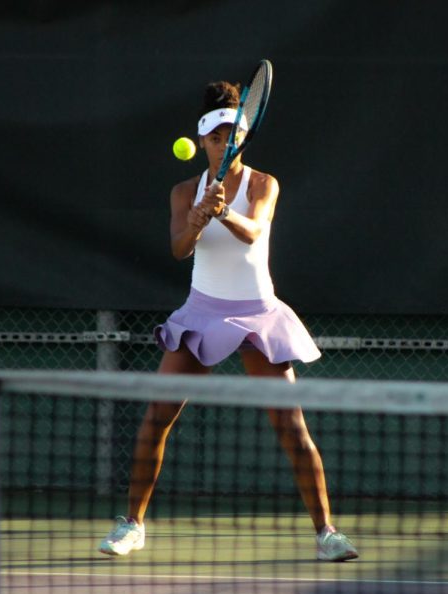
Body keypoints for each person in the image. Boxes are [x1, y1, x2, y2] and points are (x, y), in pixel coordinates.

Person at [98, 81, 358, 562]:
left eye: (230, 136)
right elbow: (179, 249)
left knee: (290, 426)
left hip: (258, 314)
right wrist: (197, 219)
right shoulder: (182, 191)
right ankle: (132, 525)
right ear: (202, 142)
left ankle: (327, 532)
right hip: (201, 312)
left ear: (242, 137)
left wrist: (225, 216)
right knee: (157, 418)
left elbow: (255, 229)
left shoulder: (264, 184)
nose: (223, 145)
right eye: (214, 138)